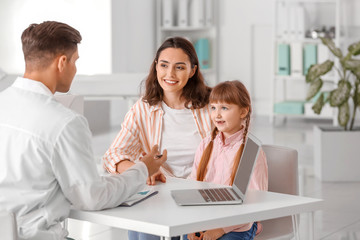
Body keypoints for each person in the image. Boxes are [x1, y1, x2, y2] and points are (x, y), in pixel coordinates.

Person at [0, 21, 167, 240]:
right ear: (62, 62)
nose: (75, 69)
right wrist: (143, 168)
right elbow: (93, 197)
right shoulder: (64, 122)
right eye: (75, 61)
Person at [102, 37, 212, 240]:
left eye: (179, 67)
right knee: (141, 227)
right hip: (162, 194)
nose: (170, 74)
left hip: (201, 195)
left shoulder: (211, 107)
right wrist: (142, 170)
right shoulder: (143, 109)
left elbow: (236, 150)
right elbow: (113, 155)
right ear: (156, 67)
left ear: (193, 71)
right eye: (164, 65)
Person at [186, 80, 268, 240]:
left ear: (243, 112)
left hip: (238, 225)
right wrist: (192, 226)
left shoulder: (250, 151)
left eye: (224, 108)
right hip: (205, 219)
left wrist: (221, 229)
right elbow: (193, 184)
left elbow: (254, 202)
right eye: (213, 107)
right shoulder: (206, 144)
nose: (217, 114)